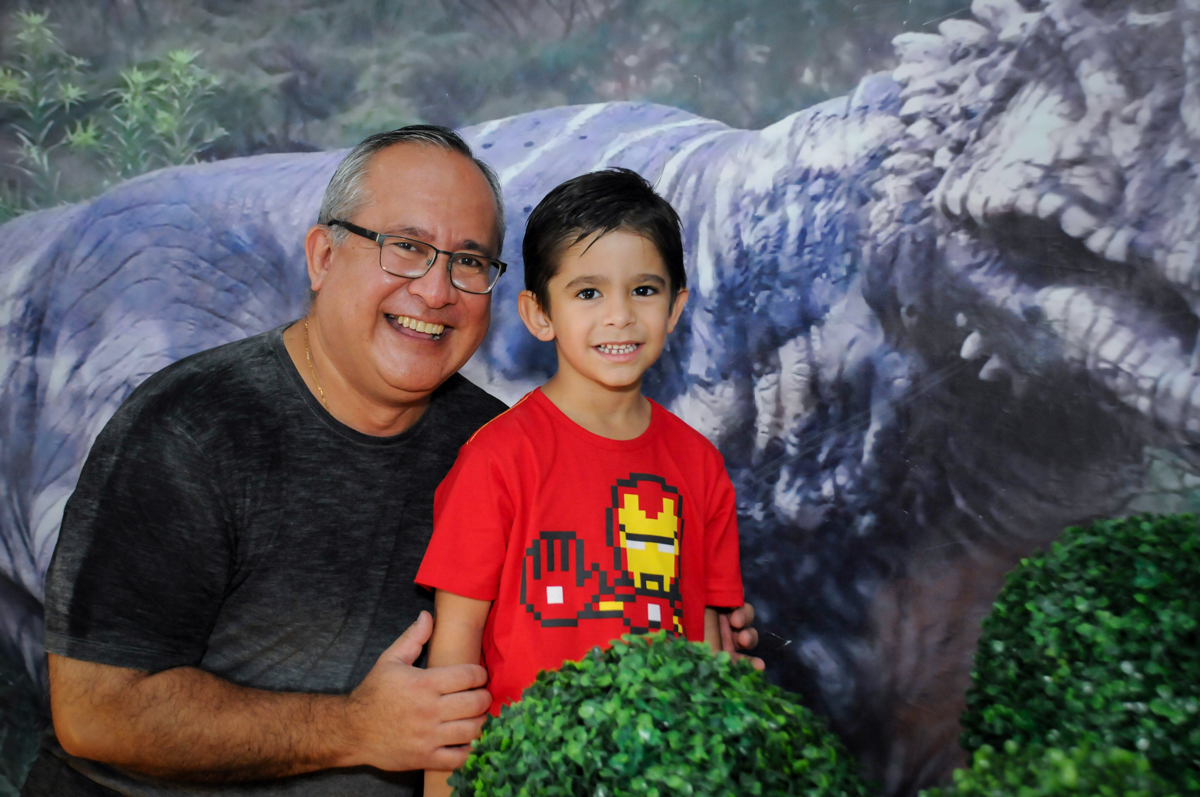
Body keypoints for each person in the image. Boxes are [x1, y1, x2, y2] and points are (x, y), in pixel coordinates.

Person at [25, 128, 761, 797]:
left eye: (468, 261)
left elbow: (581, 615)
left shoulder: (499, 446)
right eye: (404, 247)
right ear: (323, 256)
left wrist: (686, 649)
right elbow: (97, 710)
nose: (436, 290)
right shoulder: (191, 426)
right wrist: (353, 726)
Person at [417, 168, 751, 797]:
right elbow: (455, 649)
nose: (620, 316)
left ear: (677, 306)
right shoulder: (496, 458)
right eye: (588, 293)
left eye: (644, 290)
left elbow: (710, 650)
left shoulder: (700, 466)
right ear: (539, 313)